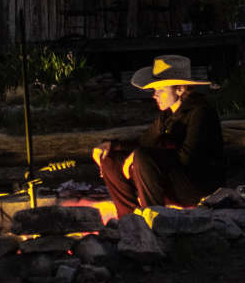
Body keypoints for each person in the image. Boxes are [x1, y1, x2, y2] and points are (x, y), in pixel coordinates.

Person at [93, 54, 225, 218]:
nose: (155, 95)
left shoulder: (201, 112)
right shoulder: (167, 116)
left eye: (160, 90)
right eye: (155, 90)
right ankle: (128, 220)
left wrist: (139, 155)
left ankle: (154, 220)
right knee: (110, 160)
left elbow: (187, 159)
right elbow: (144, 142)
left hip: (197, 187)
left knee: (142, 157)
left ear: (180, 89)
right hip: (169, 181)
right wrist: (111, 146)